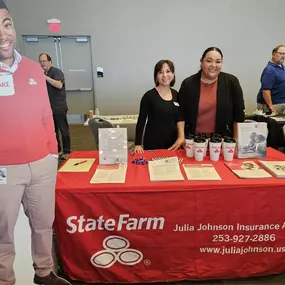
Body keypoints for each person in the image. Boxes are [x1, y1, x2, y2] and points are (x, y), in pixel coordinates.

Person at [0, 1, 71, 284]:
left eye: (6, 25)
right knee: (3, 233)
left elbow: (45, 115)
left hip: (42, 164)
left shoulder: (32, 69)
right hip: (5, 169)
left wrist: (52, 154)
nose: (3, 34)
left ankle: (44, 273)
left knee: (43, 225)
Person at [178, 47, 245, 137]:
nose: (213, 65)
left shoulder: (231, 82)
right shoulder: (188, 84)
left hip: (223, 140)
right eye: (209, 61)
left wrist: (236, 139)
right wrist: (181, 136)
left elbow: (239, 113)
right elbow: (180, 113)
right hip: (193, 140)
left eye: (218, 62)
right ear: (201, 62)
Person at [134, 59, 184, 153]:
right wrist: (137, 144)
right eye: (160, 72)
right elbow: (141, 121)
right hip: (153, 143)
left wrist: (181, 137)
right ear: (156, 76)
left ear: (173, 74)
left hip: (173, 144)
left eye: (168, 71)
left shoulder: (176, 95)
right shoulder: (149, 96)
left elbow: (180, 118)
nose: (165, 75)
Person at [39, 53, 71, 160]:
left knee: (63, 130)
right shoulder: (42, 73)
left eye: (44, 61)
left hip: (59, 107)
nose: (42, 63)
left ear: (50, 62)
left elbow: (59, 85)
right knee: (53, 131)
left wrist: (45, 77)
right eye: (41, 61)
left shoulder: (56, 72)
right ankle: (57, 150)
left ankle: (67, 151)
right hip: (48, 108)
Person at [257, 45, 285, 114]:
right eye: (280, 53)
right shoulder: (269, 70)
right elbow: (265, 91)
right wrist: (271, 106)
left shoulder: (282, 67)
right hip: (273, 106)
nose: (283, 56)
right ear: (273, 54)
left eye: (284, 54)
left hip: (281, 103)